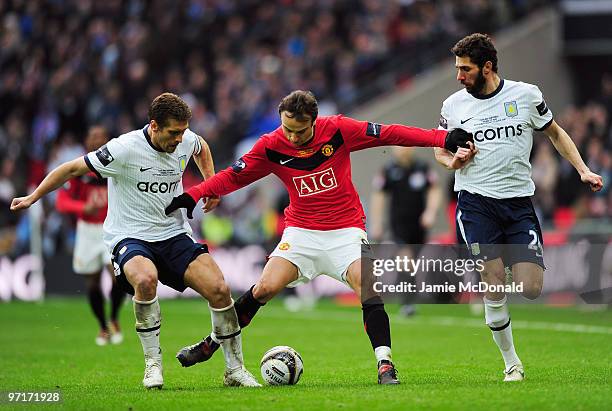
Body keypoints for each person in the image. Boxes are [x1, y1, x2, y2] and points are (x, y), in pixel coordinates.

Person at [164, 90, 474, 385]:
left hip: (346, 230)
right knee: (264, 288)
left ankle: (385, 363)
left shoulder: (338, 130)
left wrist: (443, 137)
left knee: (367, 286)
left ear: (314, 121)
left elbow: (391, 133)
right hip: (301, 233)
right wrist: (194, 194)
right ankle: (211, 342)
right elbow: (234, 175)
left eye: (299, 131)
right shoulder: (272, 145)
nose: (293, 137)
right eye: (287, 129)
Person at [10, 93, 260, 389]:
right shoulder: (124, 148)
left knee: (220, 289)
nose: (180, 139)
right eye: (173, 133)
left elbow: (200, 146)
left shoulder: (185, 138)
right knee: (145, 279)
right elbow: (71, 169)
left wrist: (210, 184)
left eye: (182, 131)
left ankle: (234, 370)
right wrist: (33, 197)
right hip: (131, 236)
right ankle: (153, 364)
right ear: (154, 126)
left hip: (174, 234)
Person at [434, 33, 604, 382]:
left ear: (487, 67)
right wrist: (453, 162)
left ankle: (499, 270)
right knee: (493, 281)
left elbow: (555, 133)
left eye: (465, 69)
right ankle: (512, 363)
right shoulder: (454, 106)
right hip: (475, 204)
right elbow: (439, 149)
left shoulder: (526, 95)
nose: (459, 76)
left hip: (518, 205)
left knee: (531, 288)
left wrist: (583, 169)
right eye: (457, 69)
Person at [55, 125, 125, 346]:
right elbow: (61, 201)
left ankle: (114, 318)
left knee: (117, 277)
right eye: (93, 137)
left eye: (101, 137)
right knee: (92, 282)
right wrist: (81, 207)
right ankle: (103, 326)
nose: (97, 141)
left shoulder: (115, 163)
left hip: (111, 228)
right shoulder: (80, 168)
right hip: (87, 232)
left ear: (107, 140)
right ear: (87, 141)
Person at [369, 146, 442, 316]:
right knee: (405, 259)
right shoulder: (388, 170)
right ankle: (407, 303)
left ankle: (408, 298)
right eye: (400, 146)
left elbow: (434, 189)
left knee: (412, 262)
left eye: (407, 146)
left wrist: (430, 212)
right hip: (398, 225)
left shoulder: (423, 168)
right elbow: (378, 196)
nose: (403, 150)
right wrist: (376, 223)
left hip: (419, 226)